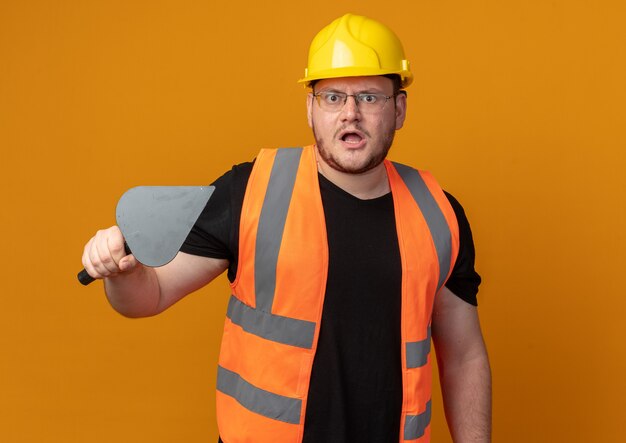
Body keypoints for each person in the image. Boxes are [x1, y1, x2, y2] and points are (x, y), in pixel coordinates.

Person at [81, 13, 491, 443]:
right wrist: (123, 273)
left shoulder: (438, 212)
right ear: (310, 108)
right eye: (333, 97)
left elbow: (464, 356)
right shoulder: (252, 189)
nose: (350, 114)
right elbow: (151, 295)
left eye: (370, 97)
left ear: (399, 108)